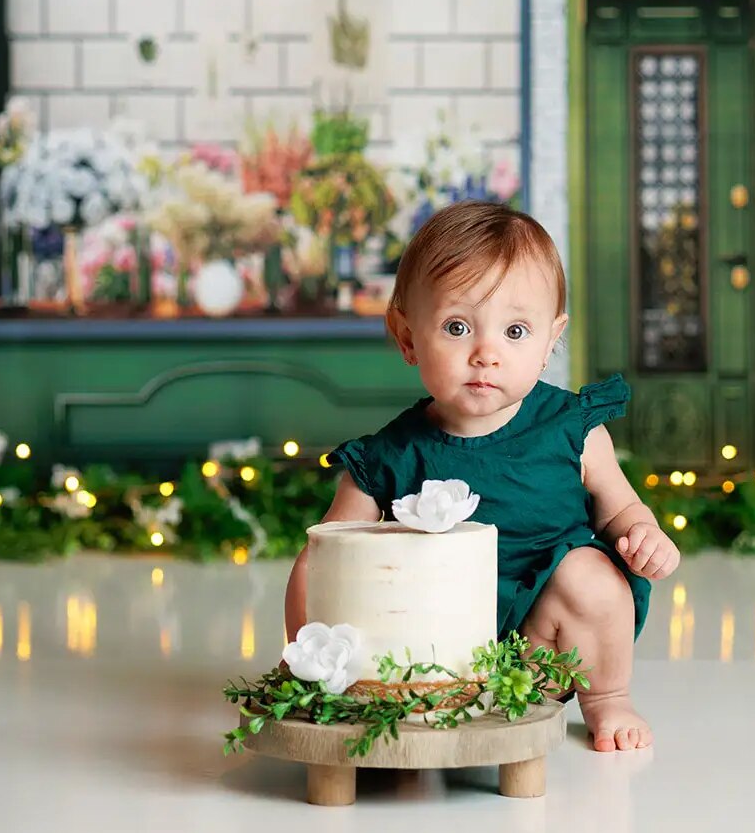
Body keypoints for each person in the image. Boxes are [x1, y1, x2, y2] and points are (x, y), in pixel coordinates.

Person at [283, 200, 680, 751]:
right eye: (457, 326)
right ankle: (430, 712)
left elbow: (619, 510)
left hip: (540, 655)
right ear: (406, 336)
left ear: (550, 341)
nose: (486, 354)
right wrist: (314, 656)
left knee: (589, 574)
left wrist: (643, 534)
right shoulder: (386, 459)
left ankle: (607, 698)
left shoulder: (574, 431)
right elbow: (321, 561)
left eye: (516, 330)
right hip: (426, 658)